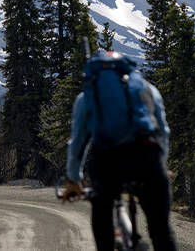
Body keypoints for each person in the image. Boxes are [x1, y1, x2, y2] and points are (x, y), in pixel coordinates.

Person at [63, 50, 177, 251]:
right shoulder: (148, 89)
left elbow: (78, 142)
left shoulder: (87, 96)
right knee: (161, 230)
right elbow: (163, 131)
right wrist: (161, 164)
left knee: (102, 211)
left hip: (108, 163)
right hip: (148, 159)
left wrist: (74, 179)